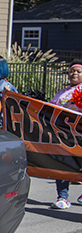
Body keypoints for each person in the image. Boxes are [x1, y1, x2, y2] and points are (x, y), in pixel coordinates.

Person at [49, 59, 82, 209]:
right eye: (72, 71)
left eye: (78, 71)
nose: (74, 73)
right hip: (63, 136)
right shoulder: (62, 93)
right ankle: (63, 197)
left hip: (80, 136)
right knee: (61, 165)